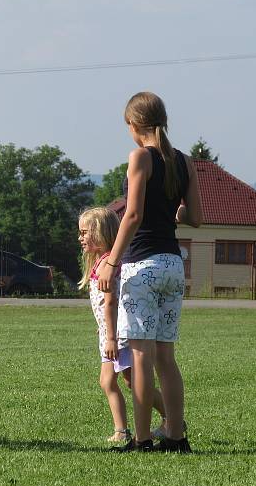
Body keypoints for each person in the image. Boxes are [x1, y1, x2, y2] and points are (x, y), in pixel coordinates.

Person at [98, 91, 203, 453]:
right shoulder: (183, 161)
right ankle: (176, 437)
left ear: (134, 125)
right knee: (166, 358)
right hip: (174, 265)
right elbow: (196, 218)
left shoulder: (140, 156)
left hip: (142, 267)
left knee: (141, 356)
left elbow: (132, 214)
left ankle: (141, 439)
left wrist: (112, 260)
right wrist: (171, 213)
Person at [78, 207, 167, 444]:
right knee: (111, 381)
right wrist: (104, 327)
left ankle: (169, 418)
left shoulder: (109, 263)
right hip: (110, 332)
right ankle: (123, 430)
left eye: (85, 233)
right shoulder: (101, 262)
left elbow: (111, 302)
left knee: (126, 380)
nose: (80, 238)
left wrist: (111, 336)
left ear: (100, 233)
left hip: (117, 335)